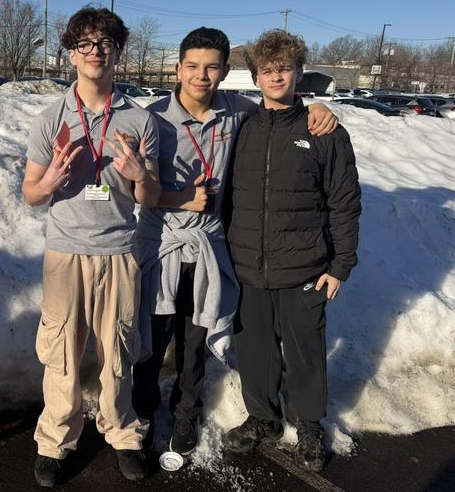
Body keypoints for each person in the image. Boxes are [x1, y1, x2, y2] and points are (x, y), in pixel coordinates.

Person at [132, 28, 338, 457]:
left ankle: (187, 412)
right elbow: (134, 189)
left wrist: (317, 108)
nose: (201, 76)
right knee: (152, 338)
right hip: (161, 246)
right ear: (178, 68)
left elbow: (281, 109)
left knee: (194, 338)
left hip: (208, 246)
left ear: (226, 72)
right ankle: (144, 411)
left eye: (211, 67)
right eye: (192, 66)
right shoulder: (149, 118)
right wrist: (180, 199)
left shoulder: (238, 112)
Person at [22, 7, 161, 486]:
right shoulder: (51, 118)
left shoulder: (139, 120)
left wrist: (140, 177)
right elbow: (30, 194)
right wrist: (51, 182)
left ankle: (122, 433)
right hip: (65, 253)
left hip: (120, 252)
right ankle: (55, 441)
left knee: (117, 352)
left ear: (118, 53)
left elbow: (151, 196)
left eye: (105, 43)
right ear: (71, 52)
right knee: (61, 352)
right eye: (85, 42)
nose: (95, 51)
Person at [222, 29, 361, 472]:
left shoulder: (323, 132)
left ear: (299, 72)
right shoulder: (242, 128)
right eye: (267, 70)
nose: (275, 76)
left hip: (304, 266)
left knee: (305, 352)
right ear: (255, 77)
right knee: (255, 351)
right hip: (248, 267)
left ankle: (308, 425)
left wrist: (340, 265)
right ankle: (262, 419)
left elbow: (344, 201)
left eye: (284, 68)